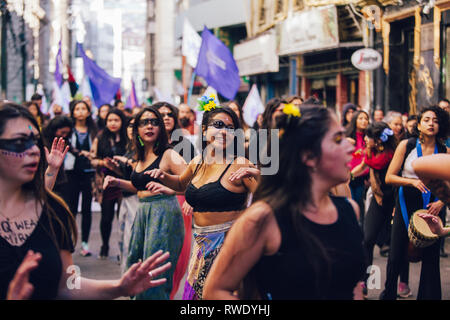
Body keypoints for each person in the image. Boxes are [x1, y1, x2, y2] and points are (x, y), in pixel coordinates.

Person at [0, 103, 171, 300]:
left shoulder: (53, 209)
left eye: (35, 141)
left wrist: (119, 287)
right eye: (20, 142)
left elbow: (68, 284)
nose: (33, 150)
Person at [202, 104, 365, 300]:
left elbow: (353, 287)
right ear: (308, 156)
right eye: (337, 139)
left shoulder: (350, 209)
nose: (350, 146)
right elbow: (214, 292)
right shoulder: (262, 218)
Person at [144, 103, 258, 300]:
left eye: (230, 128)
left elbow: (266, 197)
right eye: (219, 125)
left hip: (229, 246)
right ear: (204, 131)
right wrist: (163, 176)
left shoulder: (240, 164)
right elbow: (181, 183)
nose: (224, 131)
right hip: (200, 245)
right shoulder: (198, 161)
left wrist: (258, 174)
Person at [103, 106, 186, 300]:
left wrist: (170, 188)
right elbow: (140, 187)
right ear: (137, 129)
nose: (149, 126)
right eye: (144, 122)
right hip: (143, 213)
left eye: (154, 122)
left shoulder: (168, 154)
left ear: (161, 129)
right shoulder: (140, 156)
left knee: (154, 272)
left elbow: (193, 182)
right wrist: (117, 182)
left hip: (164, 213)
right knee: (135, 266)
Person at [381, 105, 449, 300]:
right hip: (406, 202)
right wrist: (411, 181)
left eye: (435, 121)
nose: (431, 124)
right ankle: (389, 294)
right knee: (395, 255)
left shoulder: (445, 150)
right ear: (418, 124)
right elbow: (389, 177)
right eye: (427, 120)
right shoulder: (407, 145)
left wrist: (441, 204)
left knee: (431, 258)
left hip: (434, 205)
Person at [154, 101, 196, 299]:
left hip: (180, 202)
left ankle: (170, 294)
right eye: (161, 114)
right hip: (152, 204)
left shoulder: (184, 144)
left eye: (170, 114)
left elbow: (193, 175)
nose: (167, 117)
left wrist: (191, 198)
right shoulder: (146, 144)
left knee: (179, 255)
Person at [350, 122, 397, 298]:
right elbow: (362, 166)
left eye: (369, 137)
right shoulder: (371, 152)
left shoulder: (392, 154)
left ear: (377, 140)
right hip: (378, 201)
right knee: (367, 240)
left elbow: (379, 167)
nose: (366, 140)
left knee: (396, 249)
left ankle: (394, 285)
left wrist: (396, 207)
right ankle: (364, 281)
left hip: (394, 202)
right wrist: (349, 176)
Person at [90, 108, 128, 260]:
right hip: (106, 183)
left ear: (122, 121)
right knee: (106, 217)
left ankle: (122, 249)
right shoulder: (100, 137)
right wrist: (102, 162)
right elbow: (92, 159)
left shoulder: (128, 138)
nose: (113, 123)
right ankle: (104, 245)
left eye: (116, 120)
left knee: (123, 218)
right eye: (110, 120)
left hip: (124, 181)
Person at [65, 100, 98, 257]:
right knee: (70, 209)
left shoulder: (93, 130)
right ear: (72, 112)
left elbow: (97, 149)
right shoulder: (68, 130)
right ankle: (69, 241)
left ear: (88, 112)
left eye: (83, 108)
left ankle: (85, 243)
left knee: (86, 210)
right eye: (77, 109)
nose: (80, 111)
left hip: (88, 173)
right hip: (71, 173)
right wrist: (79, 152)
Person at [346, 110, 370, 229]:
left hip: (361, 177)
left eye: (366, 119)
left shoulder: (369, 137)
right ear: (355, 120)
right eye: (360, 118)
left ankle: (359, 231)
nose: (363, 121)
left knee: (359, 203)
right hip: (347, 176)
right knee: (350, 203)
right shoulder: (347, 135)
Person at [42, 116, 74, 196]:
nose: (64, 135)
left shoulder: (64, 140)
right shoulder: (43, 141)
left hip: (60, 179)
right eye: (62, 132)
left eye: (67, 133)